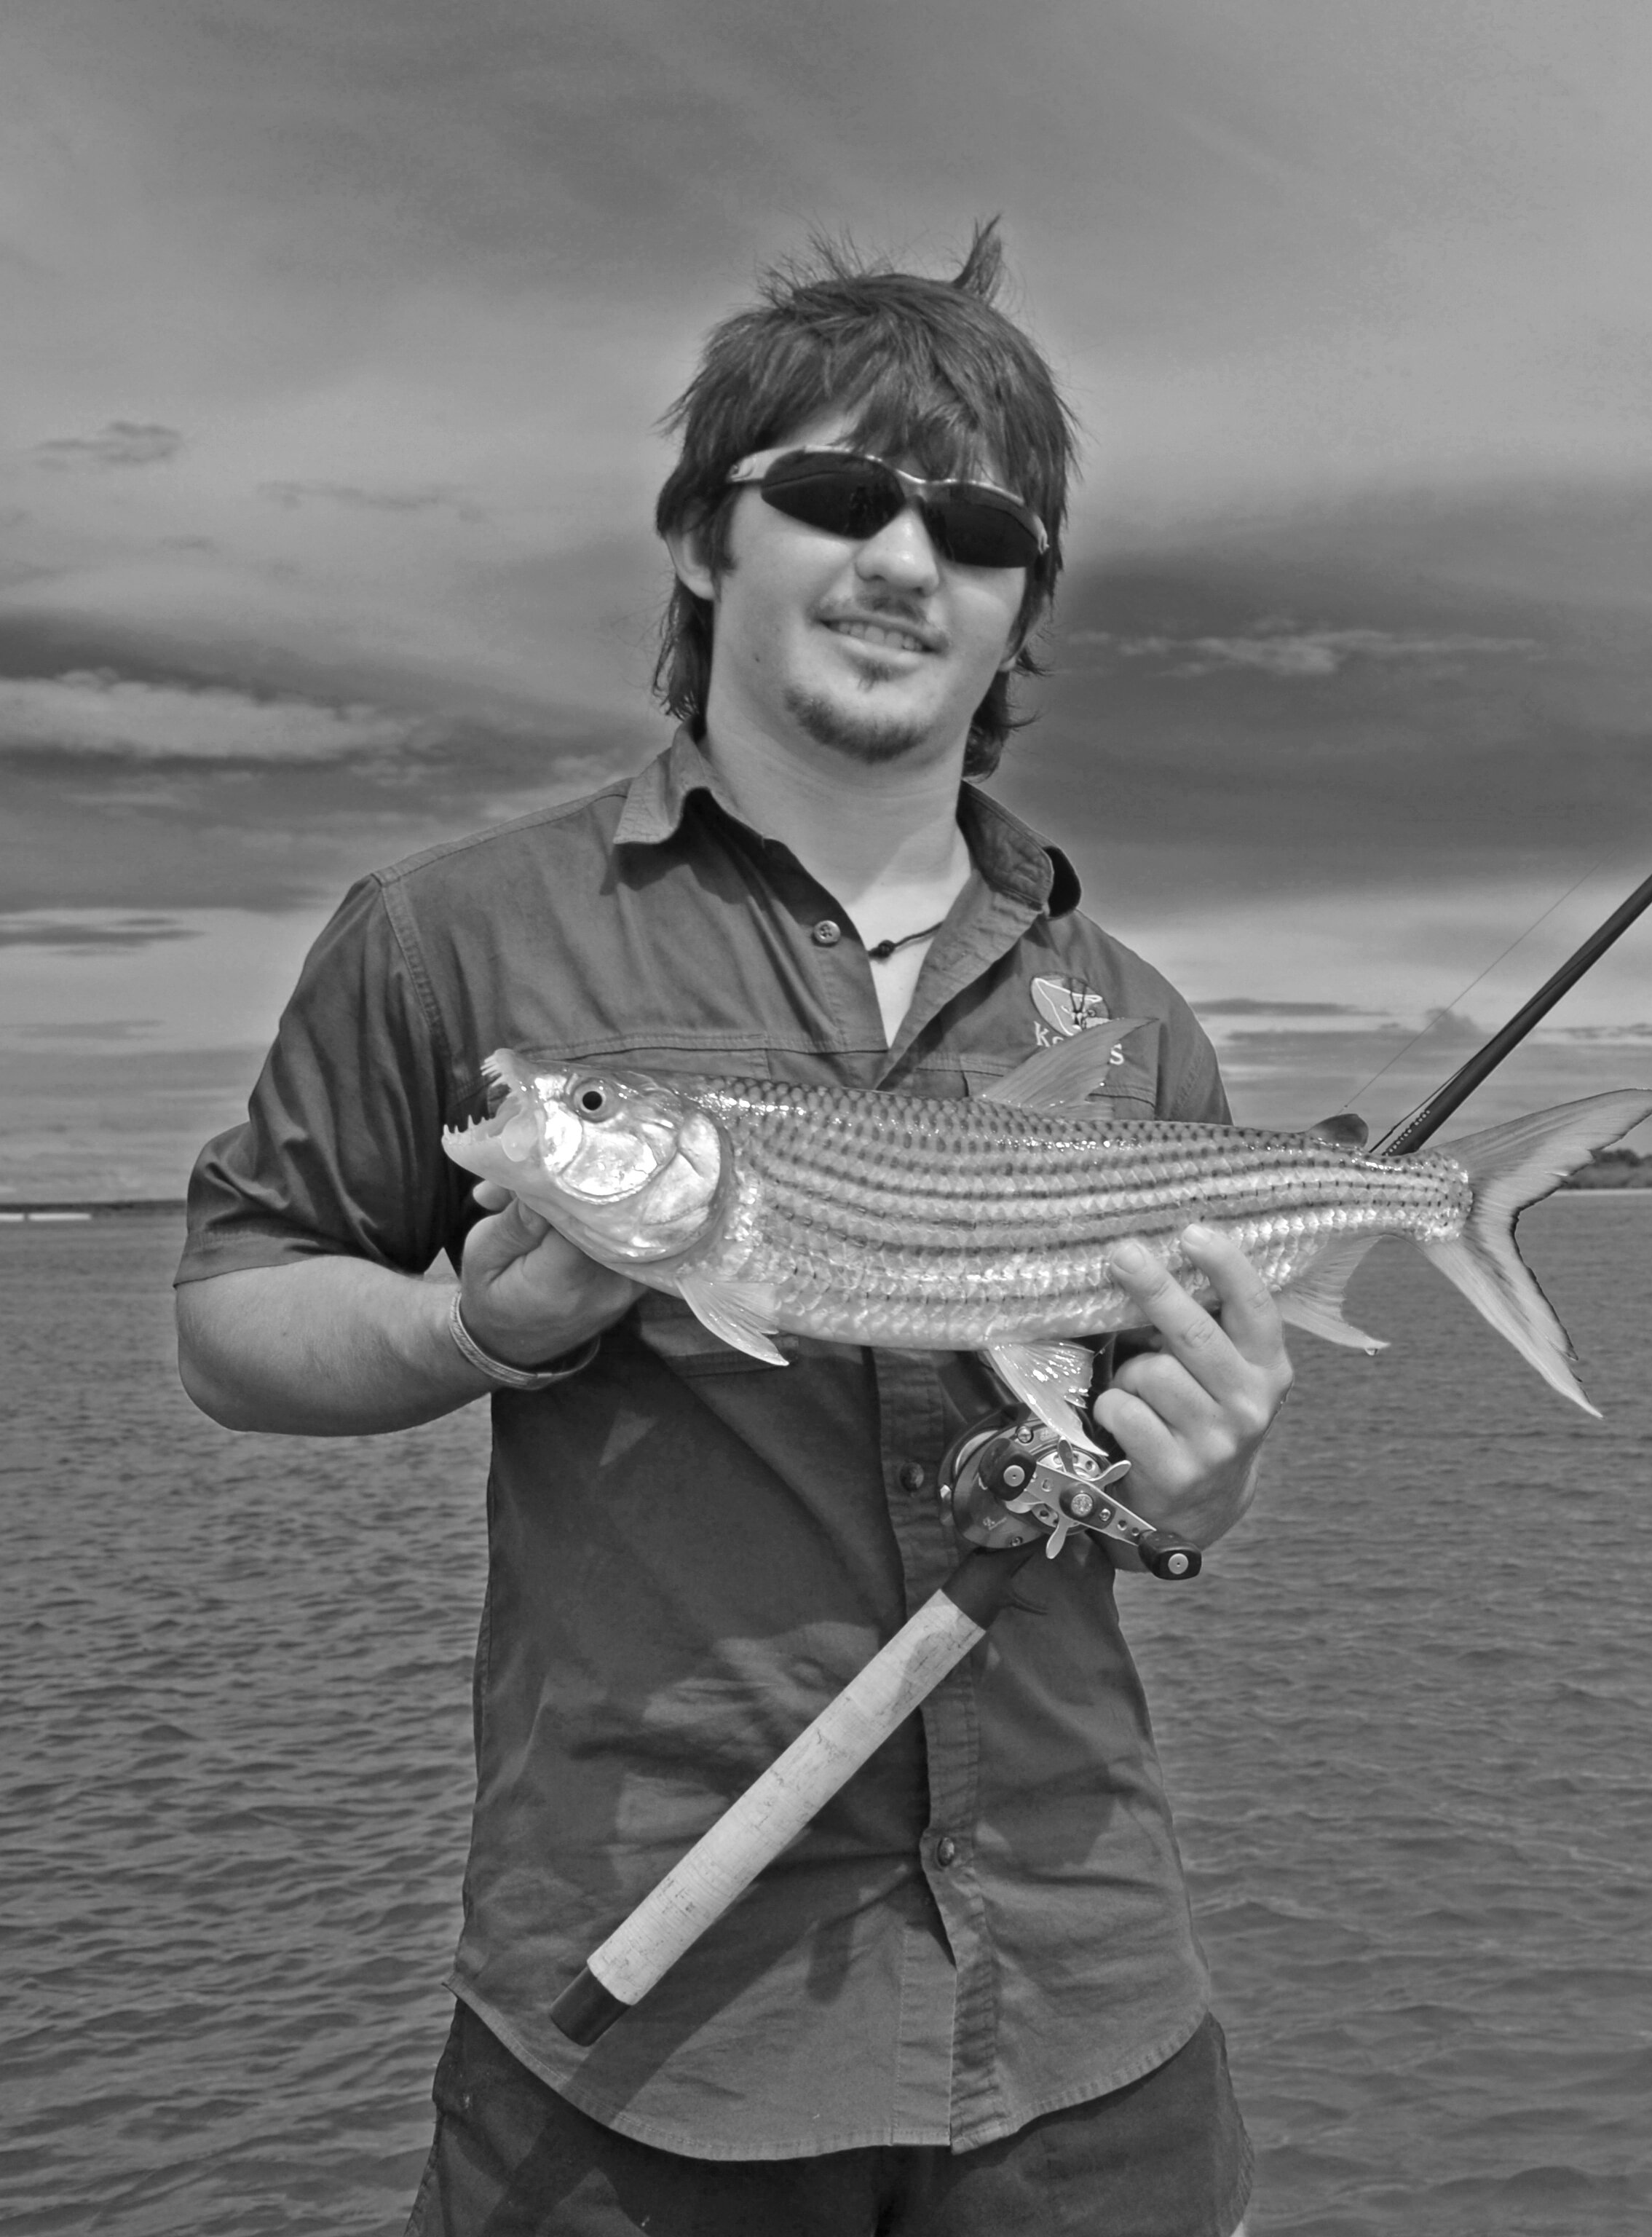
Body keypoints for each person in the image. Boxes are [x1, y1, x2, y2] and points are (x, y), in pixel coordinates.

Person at [174, 226, 1280, 2237]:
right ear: (705, 539)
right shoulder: (454, 931)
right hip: (639, 2026)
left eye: (977, 529)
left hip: (1092, 2012)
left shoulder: (1129, 1017)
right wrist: (470, 1333)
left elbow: (1133, 1460)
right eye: (839, 497)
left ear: (1024, 608)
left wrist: (1198, 1463)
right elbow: (232, 1312)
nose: (902, 563)